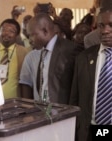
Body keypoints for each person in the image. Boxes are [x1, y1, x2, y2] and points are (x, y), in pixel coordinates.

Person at [70, 6, 112, 141]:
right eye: (101, 25)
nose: (105, 30)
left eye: (111, 25)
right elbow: (74, 100)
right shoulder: (84, 58)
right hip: (89, 132)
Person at [19, 13, 80, 104]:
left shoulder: (70, 50)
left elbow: (77, 87)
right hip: (45, 110)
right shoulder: (43, 51)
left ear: (45, 31)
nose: (30, 40)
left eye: (32, 35)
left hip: (63, 111)